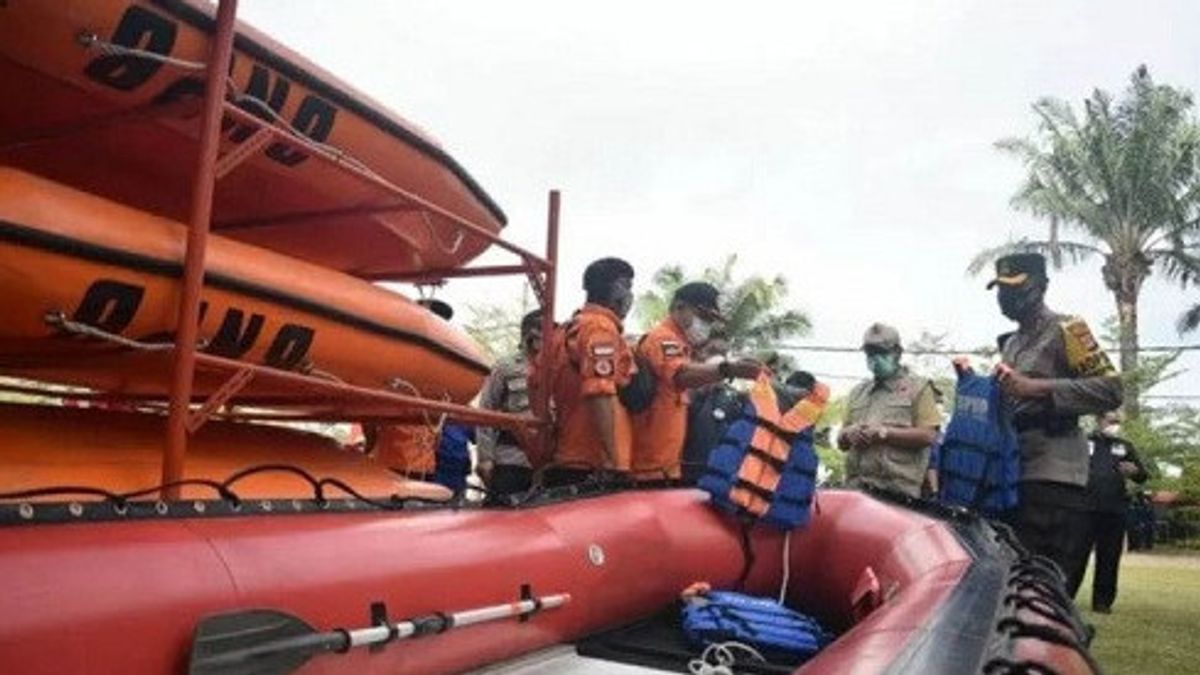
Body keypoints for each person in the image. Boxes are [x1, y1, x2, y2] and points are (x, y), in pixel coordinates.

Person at [988, 252, 1122, 597]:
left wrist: (1039, 389)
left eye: (1015, 287)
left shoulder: (1069, 329)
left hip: (1055, 475)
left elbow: (1111, 389)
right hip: (1014, 470)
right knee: (1010, 585)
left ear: (1042, 286)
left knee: (1044, 588)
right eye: (1000, 289)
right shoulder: (1012, 343)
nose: (1006, 296)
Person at [631, 282, 761, 482]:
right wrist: (729, 369)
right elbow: (681, 375)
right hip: (648, 467)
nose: (706, 326)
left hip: (665, 465)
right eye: (703, 317)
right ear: (679, 307)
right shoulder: (663, 339)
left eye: (710, 321)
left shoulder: (682, 347)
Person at [544, 257, 637, 486]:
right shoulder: (600, 328)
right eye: (628, 286)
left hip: (567, 455)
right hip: (594, 463)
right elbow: (600, 392)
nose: (630, 295)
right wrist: (612, 461)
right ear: (617, 288)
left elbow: (536, 384)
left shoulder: (563, 330)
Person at [837, 323, 941, 498]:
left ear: (898, 353)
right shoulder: (858, 393)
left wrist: (884, 433)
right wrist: (849, 434)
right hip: (856, 490)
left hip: (897, 494)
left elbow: (928, 435)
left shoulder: (919, 388)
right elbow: (841, 442)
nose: (875, 358)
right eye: (870, 353)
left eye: (882, 352)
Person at [1082, 412, 1149, 613]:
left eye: (1117, 422)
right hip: (1084, 508)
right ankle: (1064, 597)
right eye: (1111, 421)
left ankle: (1102, 602)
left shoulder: (1125, 446)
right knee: (1075, 556)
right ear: (1099, 420)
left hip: (1114, 509)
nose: (1114, 425)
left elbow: (1142, 476)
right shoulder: (1083, 441)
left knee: (1109, 557)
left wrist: (1134, 471)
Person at [476, 309, 545, 502]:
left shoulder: (556, 368)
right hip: (511, 459)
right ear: (527, 333)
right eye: (538, 329)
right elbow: (485, 412)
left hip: (547, 463)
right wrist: (485, 459)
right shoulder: (506, 367)